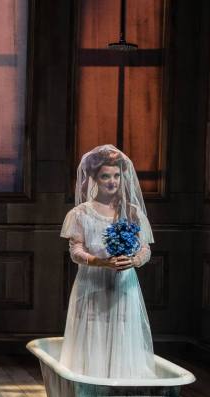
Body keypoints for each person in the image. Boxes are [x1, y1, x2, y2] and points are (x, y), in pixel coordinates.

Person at [60, 144, 155, 378]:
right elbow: (76, 251)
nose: (112, 182)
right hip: (93, 281)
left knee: (122, 331)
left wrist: (134, 260)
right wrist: (101, 262)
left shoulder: (132, 212)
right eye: (105, 176)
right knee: (93, 331)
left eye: (116, 176)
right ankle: (92, 382)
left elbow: (145, 249)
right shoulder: (81, 213)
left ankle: (121, 384)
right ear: (94, 178)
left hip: (123, 283)